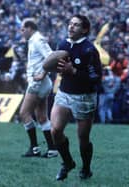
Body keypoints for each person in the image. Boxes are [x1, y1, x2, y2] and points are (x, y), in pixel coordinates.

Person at [49, 15, 102, 180]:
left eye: (76, 25)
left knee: (83, 138)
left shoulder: (89, 50)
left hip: (84, 97)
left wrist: (74, 71)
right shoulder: (62, 45)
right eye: (70, 24)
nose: (71, 27)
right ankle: (67, 163)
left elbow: (96, 78)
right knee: (55, 131)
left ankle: (86, 169)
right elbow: (56, 66)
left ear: (84, 29)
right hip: (64, 92)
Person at [19, 18, 58, 158]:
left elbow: (52, 57)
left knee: (24, 113)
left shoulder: (37, 39)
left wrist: (43, 73)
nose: (21, 32)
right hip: (42, 82)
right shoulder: (34, 40)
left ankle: (34, 148)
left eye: (23, 29)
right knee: (41, 117)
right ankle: (52, 149)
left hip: (38, 83)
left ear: (29, 28)